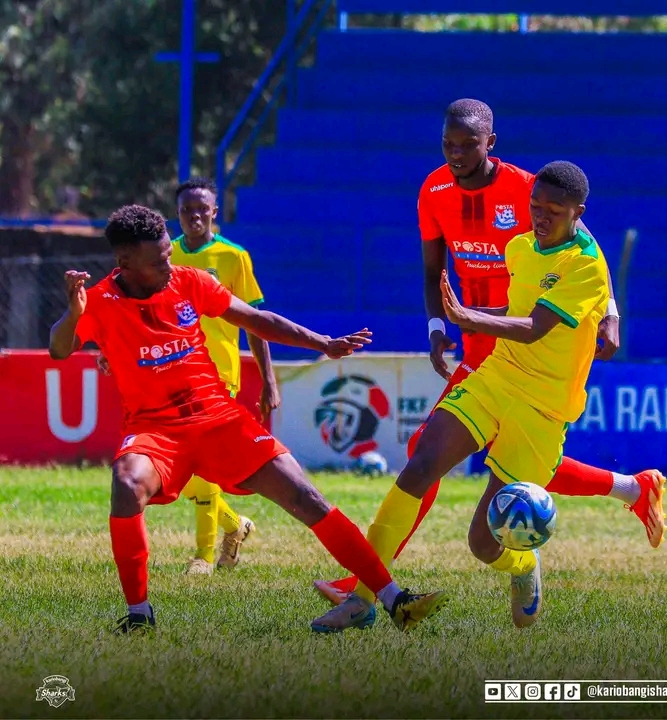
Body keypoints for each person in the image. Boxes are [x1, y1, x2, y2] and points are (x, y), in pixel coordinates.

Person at [313, 99, 666, 607]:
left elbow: (588, 250)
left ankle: (366, 581)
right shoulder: (433, 189)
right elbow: (432, 267)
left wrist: (610, 312)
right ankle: (632, 490)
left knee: (477, 456)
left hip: (521, 337)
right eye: (448, 144)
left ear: (490, 144)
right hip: (483, 337)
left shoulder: (530, 190)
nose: (456, 154)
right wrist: (438, 325)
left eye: (467, 144)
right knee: (449, 454)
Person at [49, 204, 447, 634]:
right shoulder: (102, 300)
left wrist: (322, 343)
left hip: (219, 419)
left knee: (305, 496)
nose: (170, 262)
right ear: (124, 262)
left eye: (168, 253)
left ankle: (393, 599)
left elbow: (258, 319)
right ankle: (140, 615)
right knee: (126, 484)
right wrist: (73, 313)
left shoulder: (189, 281)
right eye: (159, 258)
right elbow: (58, 349)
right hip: (154, 430)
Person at [173, 177, 278, 574]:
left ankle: (202, 556)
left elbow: (256, 323)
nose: (195, 216)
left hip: (219, 373)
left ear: (215, 212)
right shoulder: (166, 256)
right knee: (179, 470)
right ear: (178, 214)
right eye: (187, 210)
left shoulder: (234, 257)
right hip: (173, 370)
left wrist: (268, 380)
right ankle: (235, 524)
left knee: (202, 465)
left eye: (203, 209)